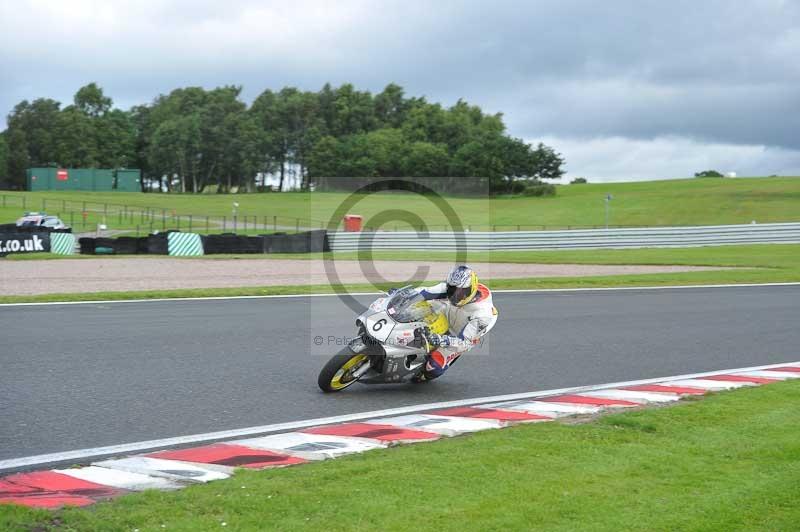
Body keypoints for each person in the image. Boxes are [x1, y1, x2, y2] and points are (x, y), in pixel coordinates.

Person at [412, 265, 498, 381]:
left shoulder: (483, 314)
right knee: (414, 307)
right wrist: (405, 295)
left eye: (462, 292)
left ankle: (421, 376)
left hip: (458, 336)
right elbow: (425, 292)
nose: (455, 295)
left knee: (432, 367)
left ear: (471, 289)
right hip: (446, 314)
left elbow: (464, 342)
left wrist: (443, 340)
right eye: (452, 290)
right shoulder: (453, 288)